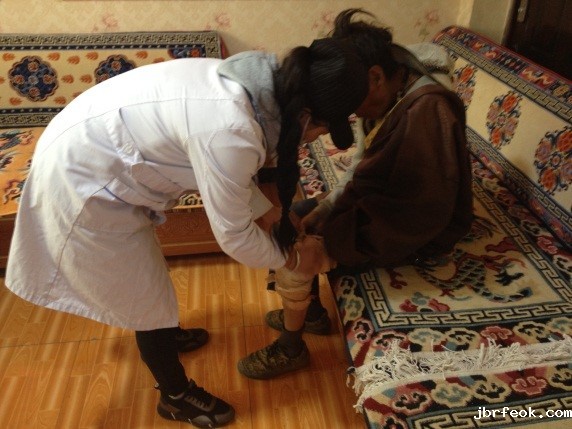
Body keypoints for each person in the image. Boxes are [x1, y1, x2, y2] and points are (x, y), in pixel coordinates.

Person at [4, 37, 371, 427]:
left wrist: (271, 214)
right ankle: (175, 397)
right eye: (321, 131)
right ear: (306, 115)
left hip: (94, 143)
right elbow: (234, 236)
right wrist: (294, 259)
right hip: (83, 180)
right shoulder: (232, 127)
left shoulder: (256, 86)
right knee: (147, 300)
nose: (315, 140)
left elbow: (226, 174)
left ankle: (164, 334)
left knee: (151, 292)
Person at [237, 8, 473, 380]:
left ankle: (291, 348)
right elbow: (364, 166)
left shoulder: (428, 111)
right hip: (388, 201)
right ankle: (312, 313)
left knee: (301, 251)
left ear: (375, 77)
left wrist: (337, 233)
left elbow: (422, 209)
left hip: (415, 227)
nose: (346, 111)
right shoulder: (390, 88)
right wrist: (327, 208)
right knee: (296, 216)